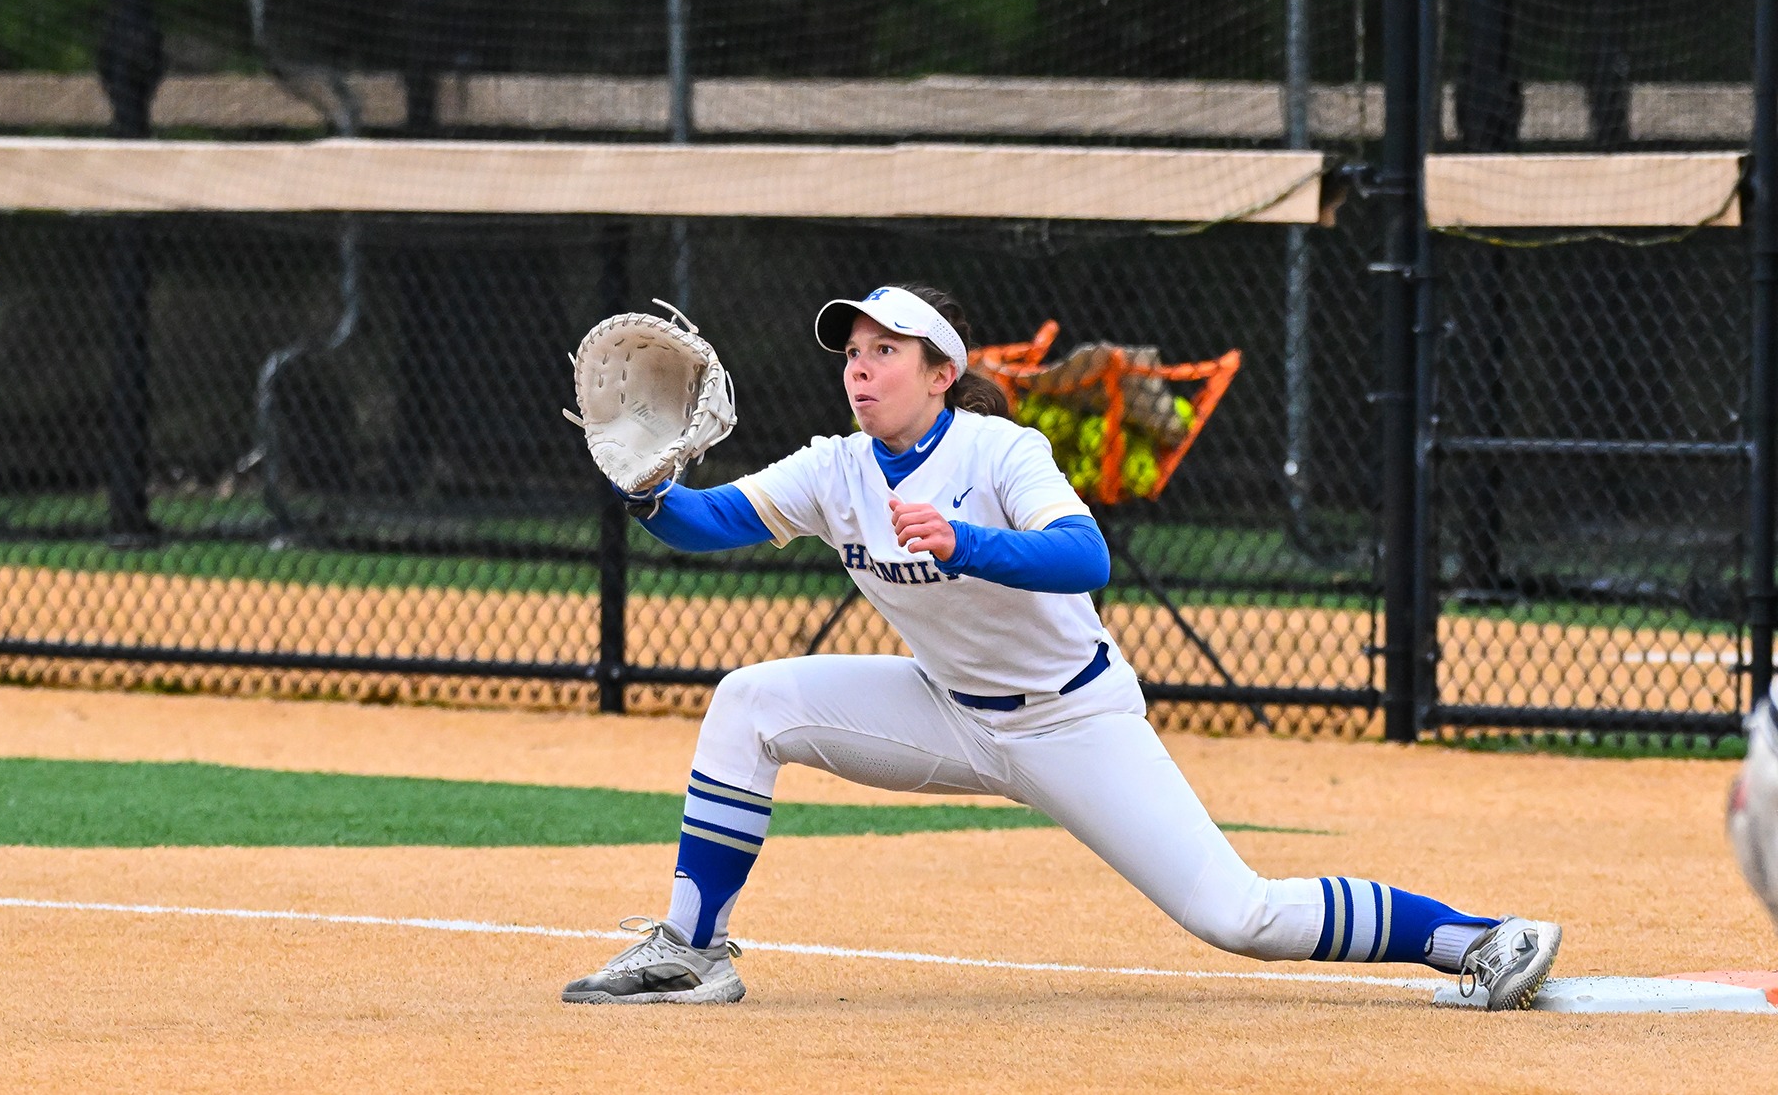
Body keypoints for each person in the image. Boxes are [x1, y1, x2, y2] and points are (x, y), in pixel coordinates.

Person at [560, 283, 1561, 1011]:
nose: (859, 369)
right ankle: (692, 953)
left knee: (1238, 916)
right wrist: (645, 487)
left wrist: (967, 542)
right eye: (852, 353)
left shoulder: (1000, 450)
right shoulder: (834, 470)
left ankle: (1475, 938)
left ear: (941, 374)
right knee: (750, 701)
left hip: (1071, 721)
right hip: (948, 710)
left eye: (884, 351)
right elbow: (707, 523)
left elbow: (1083, 557)